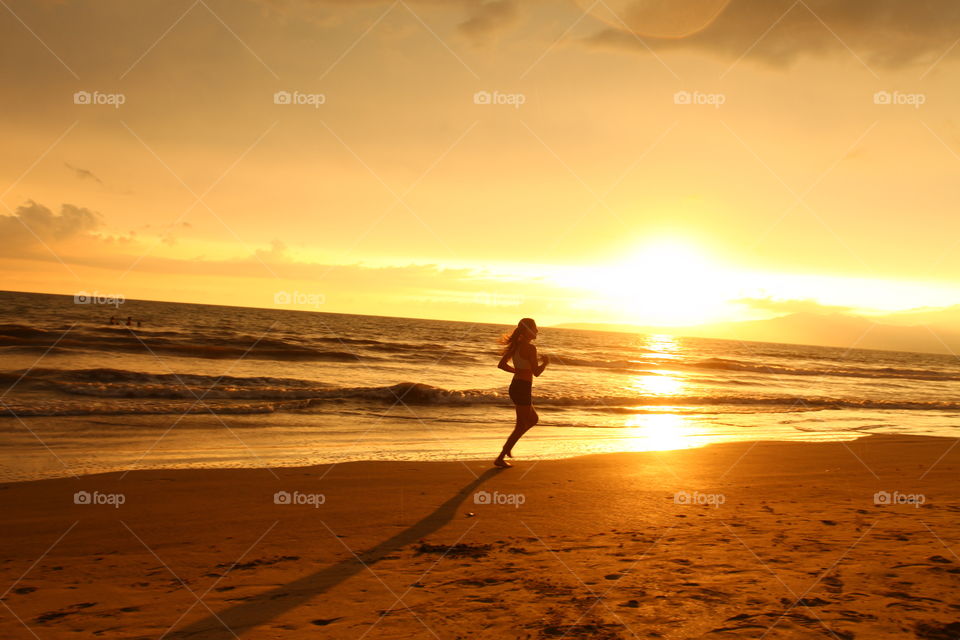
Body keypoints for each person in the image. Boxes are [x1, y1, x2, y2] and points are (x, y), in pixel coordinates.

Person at [495, 318, 548, 468]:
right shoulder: (531, 348)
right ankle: (501, 456)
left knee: (533, 419)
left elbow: (502, 365)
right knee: (521, 425)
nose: (537, 331)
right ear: (527, 330)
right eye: (535, 328)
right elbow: (536, 372)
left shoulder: (516, 346)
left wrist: (517, 370)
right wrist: (546, 362)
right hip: (523, 388)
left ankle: (508, 448)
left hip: (516, 386)